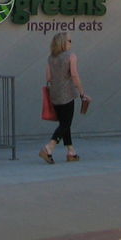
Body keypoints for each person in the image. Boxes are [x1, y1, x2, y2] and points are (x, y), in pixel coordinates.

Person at [39, 32, 89, 164]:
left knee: (64, 124)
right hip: (67, 94)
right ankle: (49, 148)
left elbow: (48, 78)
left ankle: (71, 152)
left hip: (54, 94)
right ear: (63, 43)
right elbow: (74, 75)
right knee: (66, 123)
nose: (71, 43)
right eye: (69, 41)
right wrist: (82, 93)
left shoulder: (51, 58)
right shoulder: (71, 56)